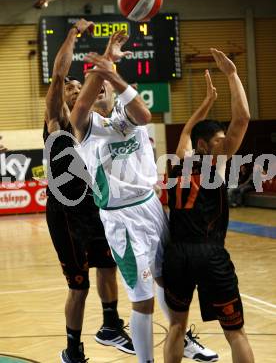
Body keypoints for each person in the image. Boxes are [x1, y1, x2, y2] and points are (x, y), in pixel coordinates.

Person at [69, 35, 219, 361]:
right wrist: (104, 66)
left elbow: (146, 115)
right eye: (96, 86)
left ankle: (182, 338)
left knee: (169, 280)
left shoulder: (128, 110)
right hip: (121, 218)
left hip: (151, 207)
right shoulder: (84, 125)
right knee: (143, 297)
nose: (101, 90)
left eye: (105, 84)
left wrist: (111, 69)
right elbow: (81, 103)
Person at [44, 19, 134, 363]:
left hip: (96, 206)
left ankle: (110, 324)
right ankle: (73, 349)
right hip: (65, 212)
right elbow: (57, 75)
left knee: (108, 266)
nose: (74, 87)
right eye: (71, 86)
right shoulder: (57, 119)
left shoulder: (93, 124)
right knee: (78, 286)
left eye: (78, 84)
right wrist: (73, 33)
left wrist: (109, 65)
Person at [162, 50, 255, 363]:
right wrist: (231, 75)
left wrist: (207, 101)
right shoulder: (215, 164)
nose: (224, 141)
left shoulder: (176, 163)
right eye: (218, 139)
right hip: (208, 253)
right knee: (236, 332)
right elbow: (242, 119)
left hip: (177, 255)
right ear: (206, 147)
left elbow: (187, 132)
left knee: (176, 326)